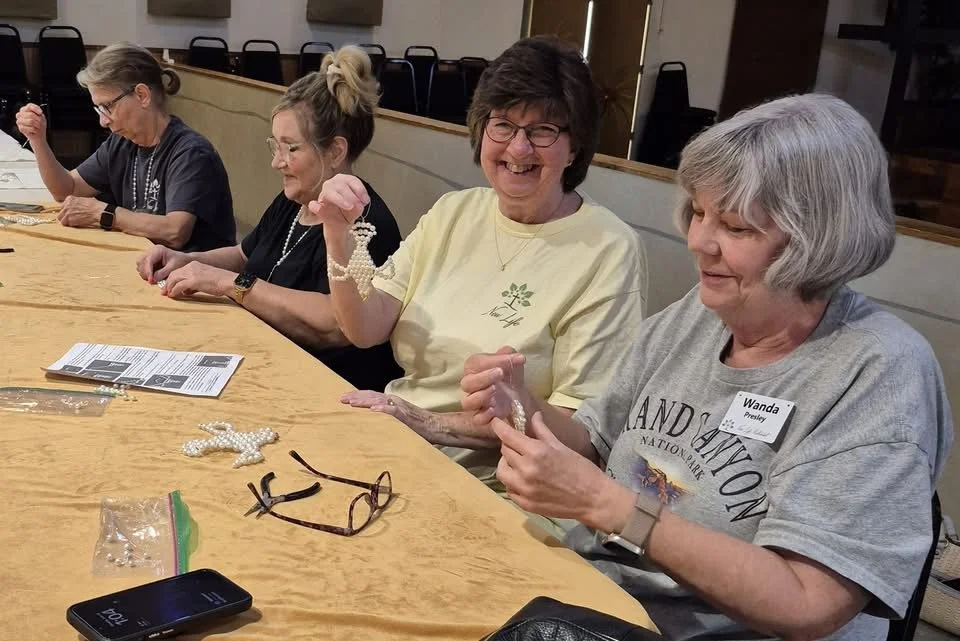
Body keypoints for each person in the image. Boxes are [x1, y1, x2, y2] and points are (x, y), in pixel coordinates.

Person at [460, 94, 954, 640]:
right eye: (699, 212)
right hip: (595, 599)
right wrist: (523, 405)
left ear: (819, 241)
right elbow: (594, 441)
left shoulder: (880, 372)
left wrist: (607, 504)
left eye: (737, 227)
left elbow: (810, 604)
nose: (698, 242)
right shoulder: (700, 313)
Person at [309, 36, 647, 488]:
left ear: (576, 144)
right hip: (395, 445)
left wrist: (432, 425)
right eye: (503, 124)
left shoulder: (608, 249)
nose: (519, 148)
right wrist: (337, 235)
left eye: (543, 130)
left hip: (494, 486)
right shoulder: (455, 211)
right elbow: (364, 328)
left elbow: (583, 435)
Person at [135, 46, 402, 391]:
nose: (277, 162)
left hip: (325, 386)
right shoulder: (294, 200)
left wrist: (231, 284)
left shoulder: (366, 223)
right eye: (275, 146)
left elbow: (334, 324)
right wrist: (185, 260)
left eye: (291, 148)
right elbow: (247, 255)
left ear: (335, 151)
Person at [16, 42, 235, 251]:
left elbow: (175, 232)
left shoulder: (190, 153)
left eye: (107, 107)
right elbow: (67, 190)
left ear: (142, 95)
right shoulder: (121, 143)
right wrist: (37, 140)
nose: (103, 121)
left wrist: (105, 214)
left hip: (196, 278)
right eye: (98, 109)